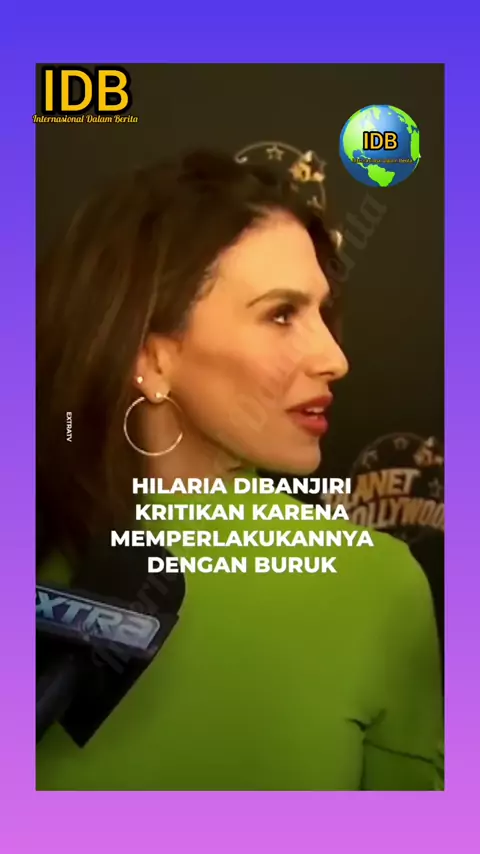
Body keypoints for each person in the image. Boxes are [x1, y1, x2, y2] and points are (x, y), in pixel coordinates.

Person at [36, 149, 443, 790]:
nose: (334, 358)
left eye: (323, 313)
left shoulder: (378, 590)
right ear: (151, 358)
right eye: (281, 314)